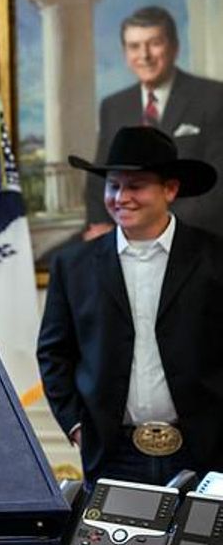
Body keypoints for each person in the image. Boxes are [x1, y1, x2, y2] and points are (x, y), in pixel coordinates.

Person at [39, 126, 223, 486]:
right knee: (117, 544)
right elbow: (54, 354)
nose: (121, 197)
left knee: (205, 544)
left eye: (135, 186)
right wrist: (78, 426)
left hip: (206, 452)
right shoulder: (73, 265)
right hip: (113, 453)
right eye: (113, 185)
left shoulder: (214, 259)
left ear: (170, 189)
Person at [84, 5, 223, 239]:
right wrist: (103, 226)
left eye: (154, 43)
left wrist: (154, 227)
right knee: (62, 261)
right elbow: (99, 183)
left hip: (192, 233)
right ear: (125, 53)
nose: (144, 55)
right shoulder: (113, 106)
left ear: (175, 47)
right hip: (123, 230)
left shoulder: (213, 98)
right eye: (134, 46)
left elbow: (218, 186)